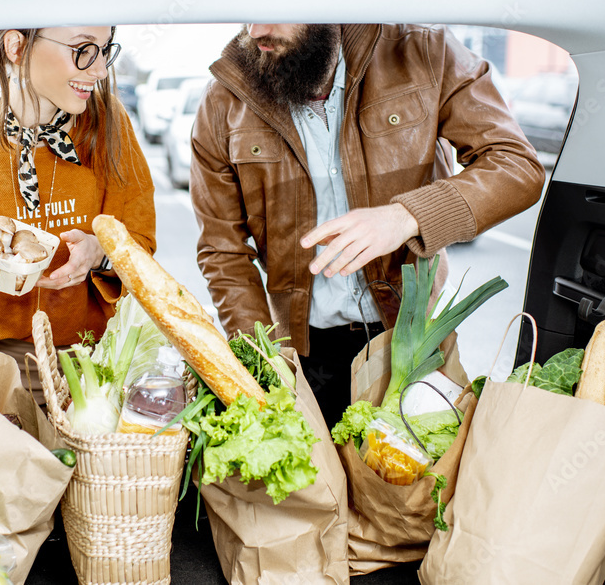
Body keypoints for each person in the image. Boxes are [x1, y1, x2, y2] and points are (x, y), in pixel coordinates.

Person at [189, 23, 545, 427]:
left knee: (405, 486)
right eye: (248, 11)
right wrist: (264, 365)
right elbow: (223, 251)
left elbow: (517, 165)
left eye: (277, 9)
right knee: (312, 490)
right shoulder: (223, 100)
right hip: (300, 356)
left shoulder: (425, 52)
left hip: (407, 340)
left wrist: (406, 216)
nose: (258, 30)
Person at [0, 26, 155, 406]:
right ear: (16, 46)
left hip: (93, 370)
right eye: (84, 50)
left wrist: (99, 253)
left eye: (105, 51)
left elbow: (140, 248)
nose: (101, 69)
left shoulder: (109, 125)